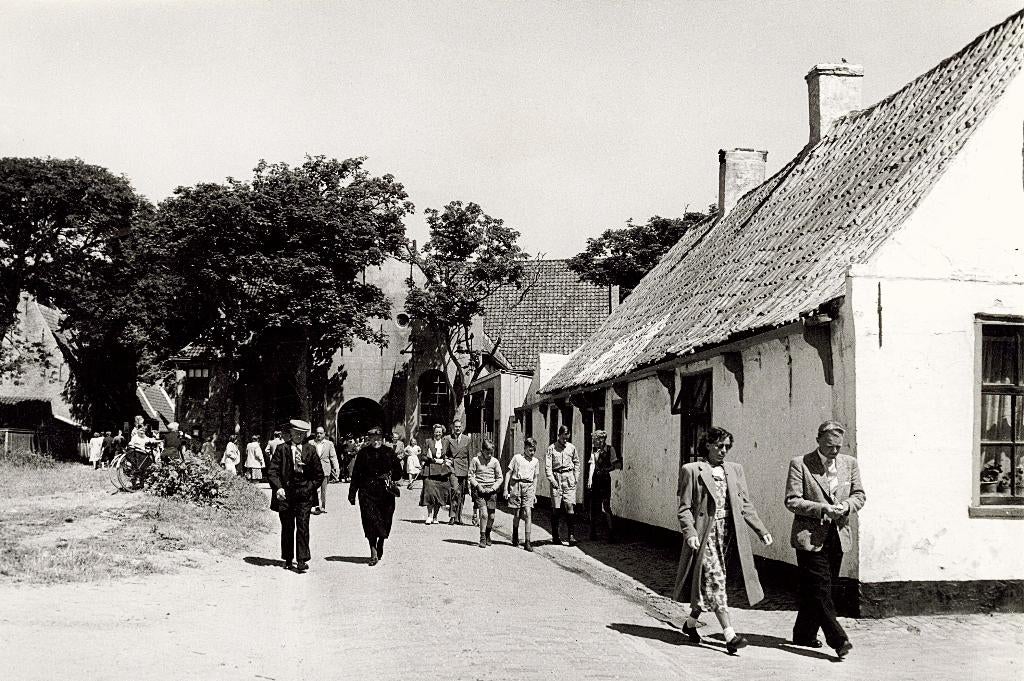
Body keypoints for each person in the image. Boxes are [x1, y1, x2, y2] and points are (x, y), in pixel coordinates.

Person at [673, 426, 773, 654]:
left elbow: (744, 504)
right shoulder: (692, 470)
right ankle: (730, 635)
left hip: (729, 534)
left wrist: (760, 529)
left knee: (713, 581)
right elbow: (684, 508)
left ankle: (690, 624)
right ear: (707, 445)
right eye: (719, 446)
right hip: (705, 534)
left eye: (727, 447)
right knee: (715, 578)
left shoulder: (735, 470)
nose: (723, 451)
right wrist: (690, 533)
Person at [785, 421, 866, 660]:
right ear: (818, 440)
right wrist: (822, 509)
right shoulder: (800, 464)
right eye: (830, 446)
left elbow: (859, 495)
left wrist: (847, 506)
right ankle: (838, 640)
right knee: (821, 588)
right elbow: (792, 500)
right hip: (810, 537)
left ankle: (803, 634)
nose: (834, 452)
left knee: (819, 588)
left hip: (838, 536)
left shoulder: (849, 464)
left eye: (838, 447)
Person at [266, 419, 323, 572]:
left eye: (302, 434)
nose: (298, 436)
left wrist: (309, 489)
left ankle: (302, 559)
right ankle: (288, 558)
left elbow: (319, 475)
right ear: (290, 433)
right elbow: (272, 471)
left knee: (303, 526)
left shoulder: (310, 450)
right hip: (286, 494)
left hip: (304, 494)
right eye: (296, 433)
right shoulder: (281, 449)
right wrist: (278, 488)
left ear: (305, 435)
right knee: (288, 527)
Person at [347, 427, 403, 566]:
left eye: (378, 438)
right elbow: (356, 474)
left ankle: (381, 542)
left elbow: (398, 472)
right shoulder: (363, 453)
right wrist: (352, 492)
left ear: (382, 439)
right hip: (367, 492)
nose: (376, 441)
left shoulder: (389, 452)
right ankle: (373, 552)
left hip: (385, 493)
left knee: (385, 520)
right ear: (369, 439)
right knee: (370, 521)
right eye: (373, 438)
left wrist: (393, 476)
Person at [545, 425, 581, 546]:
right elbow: (548, 467)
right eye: (563, 437)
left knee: (570, 506)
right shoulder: (552, 448)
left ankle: (571, 535)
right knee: (556, 509)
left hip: (569, 479)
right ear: (559, 435)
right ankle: (555, 535)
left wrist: (576, 477)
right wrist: (552, 480)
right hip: (557, 479)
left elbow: (577, 463)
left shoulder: (571, 448)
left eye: (567, 438)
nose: (565, 440)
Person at [504, 437, 540, 551]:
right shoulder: (517, 458)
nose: (532, 452)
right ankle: (515, 534)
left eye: (534, 450)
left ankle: (527, 542)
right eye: (530, 450)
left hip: (529, 487)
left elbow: (535, 478)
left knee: (528, 513)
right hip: (517, 486)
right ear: (524, 448)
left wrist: (534, 493)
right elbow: (509, 473)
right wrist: (505, 489)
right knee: (517, 513)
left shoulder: (535, 461)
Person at [587, 430, 622, 542]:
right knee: (594, 506)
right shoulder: (594, 450)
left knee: (606, 505)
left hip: (605, 480)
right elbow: (592, 464)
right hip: (596, 480)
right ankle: (593, 532)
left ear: (600, 440)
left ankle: (611, 533)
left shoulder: (610, 449)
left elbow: (615, 465)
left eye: (595, 440)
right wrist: (589, 479)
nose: (593, 442)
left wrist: (605, 470)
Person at [469, 440, 503, 548]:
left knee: (491, 517)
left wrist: (493, 488)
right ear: (482, 451)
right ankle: (482, 537)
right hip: (480, 491)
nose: (489, 455)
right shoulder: (476, 460)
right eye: (487, 452)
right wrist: (478, 486)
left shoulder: (495, 462)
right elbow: (470, 475)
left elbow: (500, 478)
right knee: (484, 514)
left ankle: (488, 533)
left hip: (491, 491)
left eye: (491, 453)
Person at [444, 419, 474, 525]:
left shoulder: (467, 439)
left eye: (459, 427)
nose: (457, 428)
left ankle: (459, 516)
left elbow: (470, 455)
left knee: (461, 493)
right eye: (455, 427)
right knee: (455, 490)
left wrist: (470, 470)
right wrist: (448, 460)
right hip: (453, 468)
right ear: (453, 427)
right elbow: (445, 454)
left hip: (464, 468)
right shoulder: (449, 439)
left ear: (462, 427)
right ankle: (452, 516)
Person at [420, 424, 452, 525]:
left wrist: (447, 460)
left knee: (439, 494)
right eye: (436, 431)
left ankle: (435, 517)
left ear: (442, 433)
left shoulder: (446, 442)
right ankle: (429, 516)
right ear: (433, 432)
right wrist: (431, 459)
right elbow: (423, 456)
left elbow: (450, 455)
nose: (438, 433)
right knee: (430, 494)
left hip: (441, 472)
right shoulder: (428, 441)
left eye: (439, 432)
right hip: (430, 470)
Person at [311, 426, 339, 514]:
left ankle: (322, 506)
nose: (319, 435)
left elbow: (333, 456)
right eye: (317, 433)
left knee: (323, 489)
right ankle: (316, 506)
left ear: (324, 434)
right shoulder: (311, 443)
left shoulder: (329, 444)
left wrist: (336, 467)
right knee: (314, 488)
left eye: (320, 433)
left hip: (325, 469)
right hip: (313, 469)